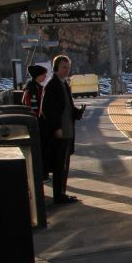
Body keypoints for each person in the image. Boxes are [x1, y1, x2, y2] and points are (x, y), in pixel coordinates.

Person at [41, 55, 85, 205]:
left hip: (67, 130)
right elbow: (47, 109)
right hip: (60, 132)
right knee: (59, 165)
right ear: (56, 68)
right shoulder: (52, 85)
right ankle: (59, 196)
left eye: (68, 67)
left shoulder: (64, 84)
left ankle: (62, 193)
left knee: (64, 164)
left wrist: (78, 112)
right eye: (63, 67)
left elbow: (68, 106)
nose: (66, 70)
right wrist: (56, 128)